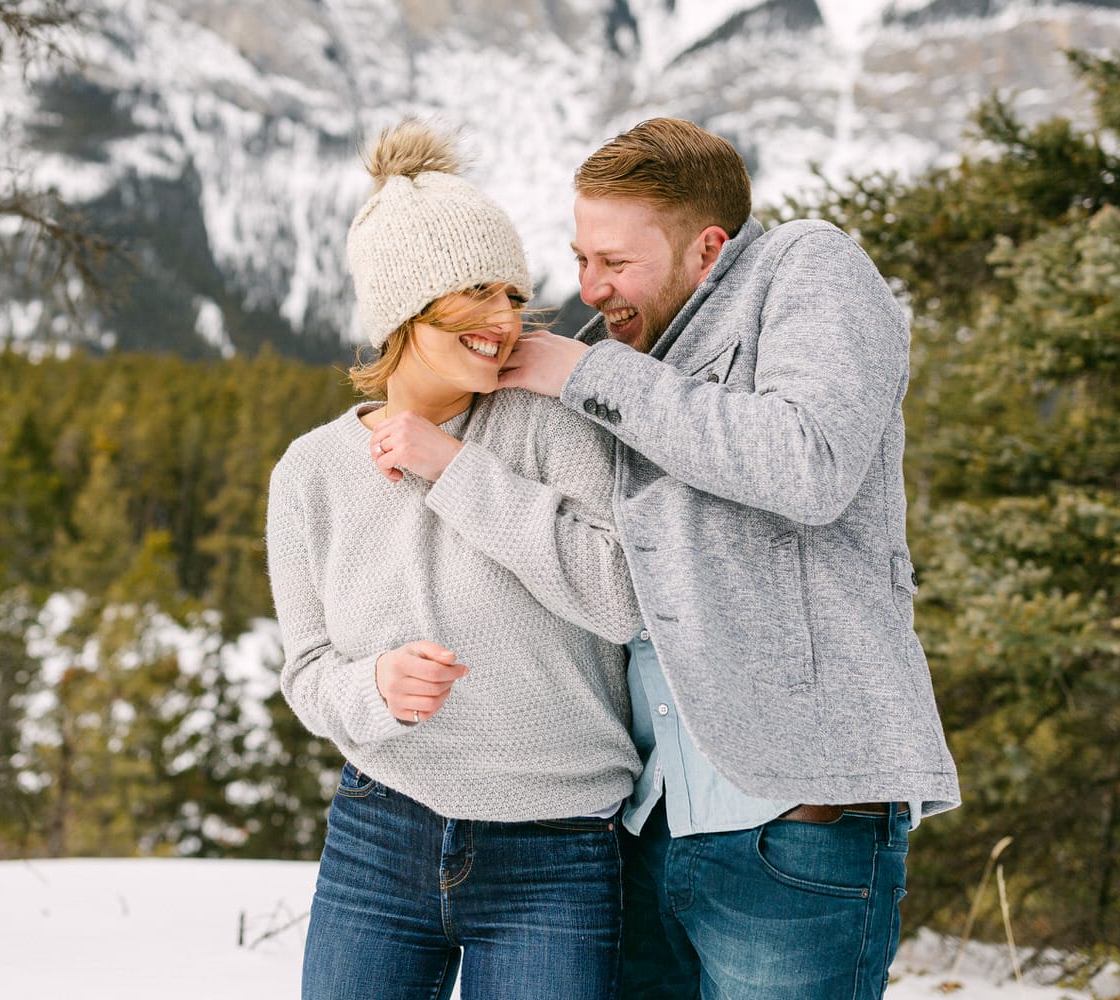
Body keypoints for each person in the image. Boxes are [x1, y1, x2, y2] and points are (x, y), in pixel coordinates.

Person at [498, 117, 962, 1000]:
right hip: (646, 823)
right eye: (580, 256)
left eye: (616, 263)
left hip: (791, 822)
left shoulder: (807, 266)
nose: (589, 289)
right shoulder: (628, 359)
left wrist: (586, 379)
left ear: (708, 247)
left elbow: (808, 462)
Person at [266, 119, 642, 1000]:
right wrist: (374, 689)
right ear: (405, 304)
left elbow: (623, 598)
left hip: (558, 846)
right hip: (379, 833)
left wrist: (454, 470)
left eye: (512, 292)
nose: (505, 320)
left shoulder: (557, 424)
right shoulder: (311, 472)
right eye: (475, 291)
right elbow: (308, 670)